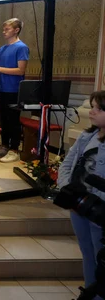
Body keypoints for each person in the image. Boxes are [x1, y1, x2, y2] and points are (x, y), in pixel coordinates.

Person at [58, 90, 105, 298]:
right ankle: (89, 291)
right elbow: (68, 163)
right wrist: (68, 188)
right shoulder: (88, 135)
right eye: (92, 107)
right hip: (78, 202)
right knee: (87, 253)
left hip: (100, 209)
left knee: (100, 256)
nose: (92, 112)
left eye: (98, 109)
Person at [0, 18, 29, 163]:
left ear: (16, 30)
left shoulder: (21, 47)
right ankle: (4, 146)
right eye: (3, 29)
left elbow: (20, 70)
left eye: (7, 29)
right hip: (2, 89)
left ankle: (14, 149)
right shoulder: (3, 49)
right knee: (4, 120)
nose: (4, 32)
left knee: (13, 121)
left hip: (14, 90)